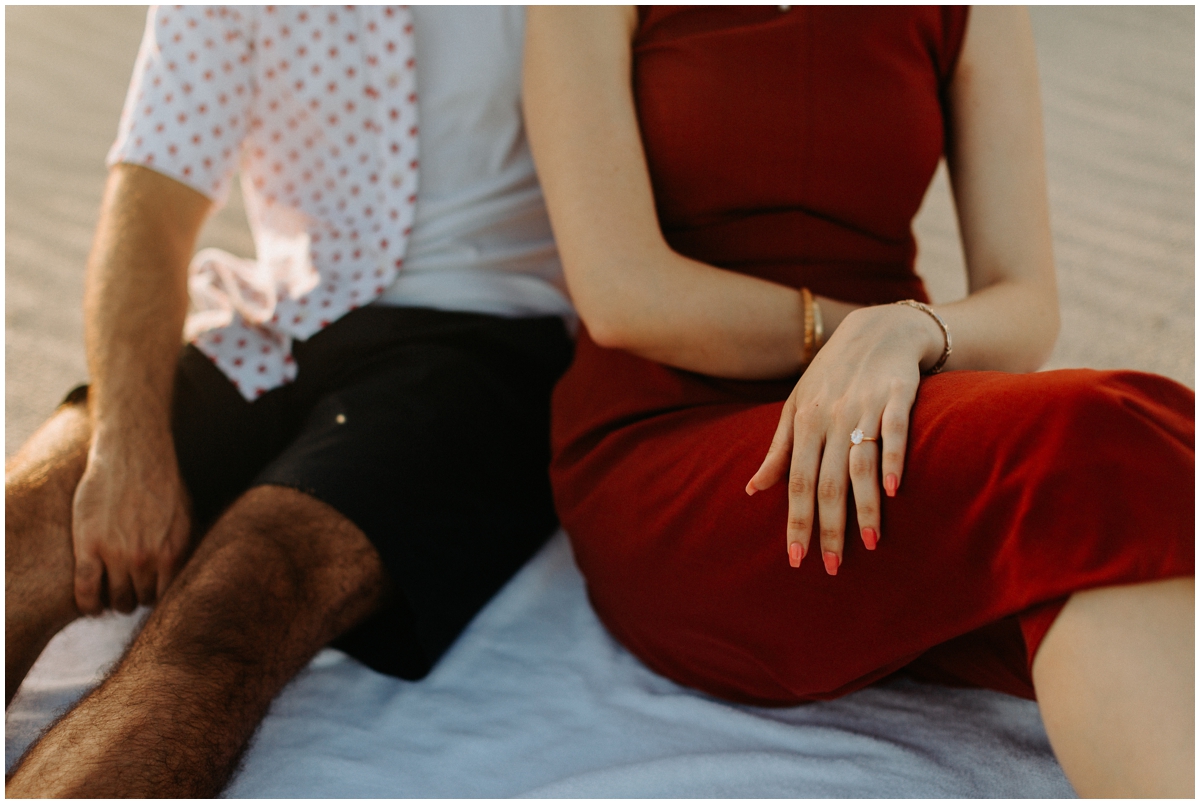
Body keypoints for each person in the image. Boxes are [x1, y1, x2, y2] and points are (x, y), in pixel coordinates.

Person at [523, 6, 1193, 798]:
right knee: (1103, 440)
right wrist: (858, 337)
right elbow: (624, 296)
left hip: (887, 422)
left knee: (1117, 502)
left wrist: (908, 336)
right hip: (670, 447)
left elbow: (1026, 303)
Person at [5, 6, 573, 797]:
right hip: (279, 315)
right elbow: (152, 206)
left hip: (483, 340)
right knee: (23, 527)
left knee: (231, 604)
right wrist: (127, 444)